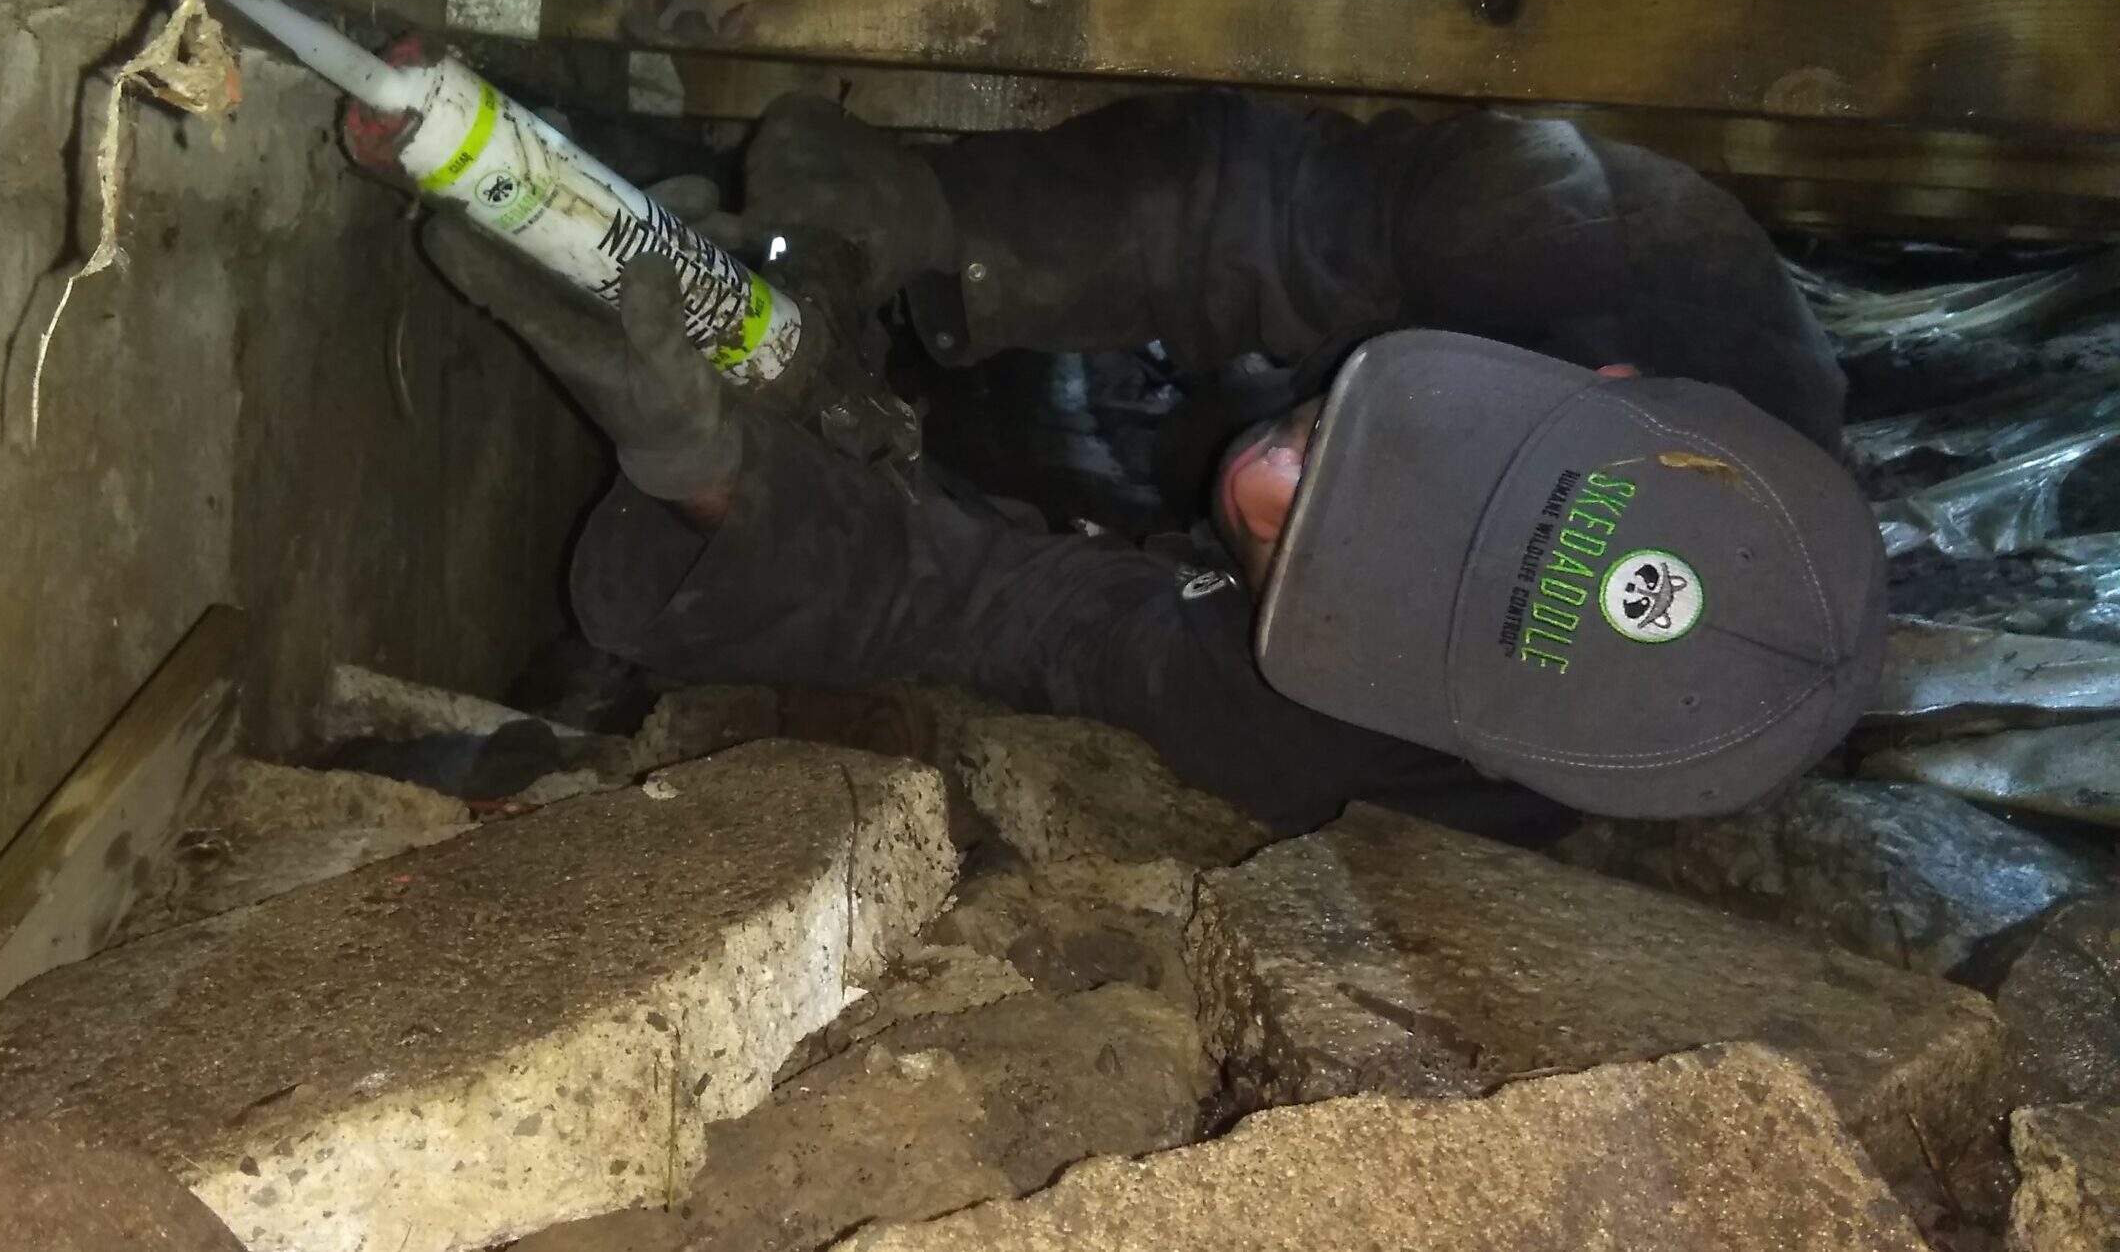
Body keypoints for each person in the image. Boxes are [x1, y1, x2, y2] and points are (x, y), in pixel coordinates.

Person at [425, 93, 1887, 842]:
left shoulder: (1341, 740)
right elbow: (1237, 211)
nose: (1261, 495)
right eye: (1395, 463)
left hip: (1118, 500)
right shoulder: (1584, 233)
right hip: (1229, 333)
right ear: (1600, 384)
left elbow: (1005, 611)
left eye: (1342, 576)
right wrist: (922, 217)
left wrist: (705, 466)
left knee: (1030, 475)